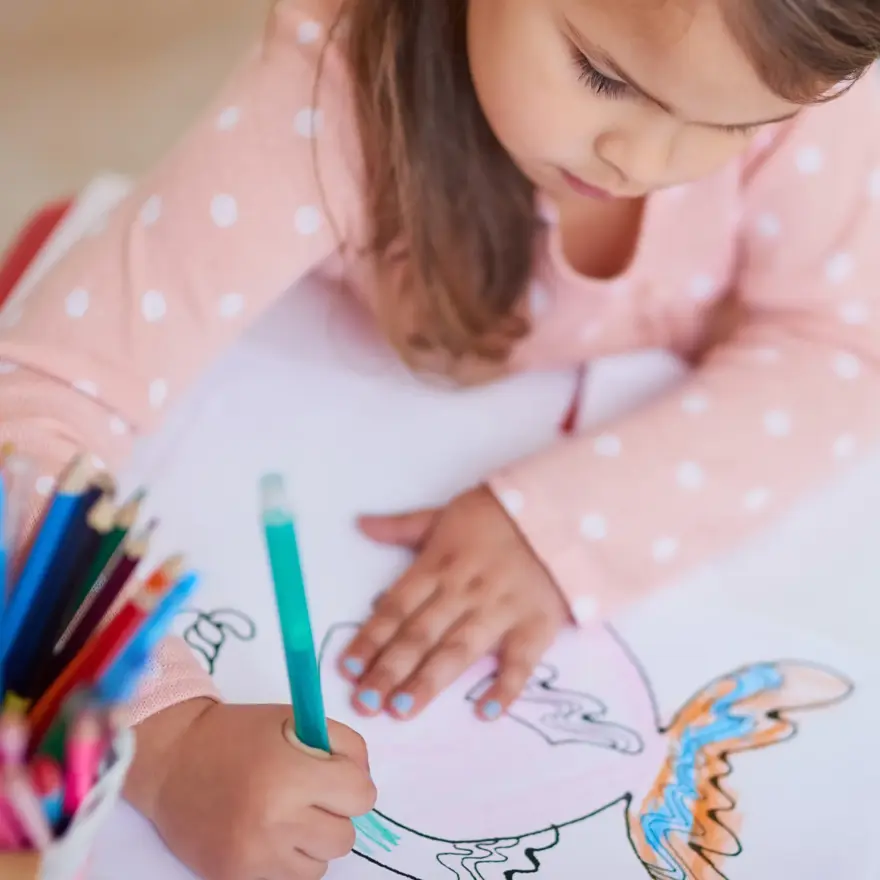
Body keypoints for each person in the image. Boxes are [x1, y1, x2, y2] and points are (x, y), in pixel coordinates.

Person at [2, 0, 879, 876]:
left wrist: (569, 525)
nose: (643, 162)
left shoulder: (814, 57)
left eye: (733, 123)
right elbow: (33, 410)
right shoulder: (329, 95)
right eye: (602, 75)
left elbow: (844, 342)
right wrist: (161, 738)